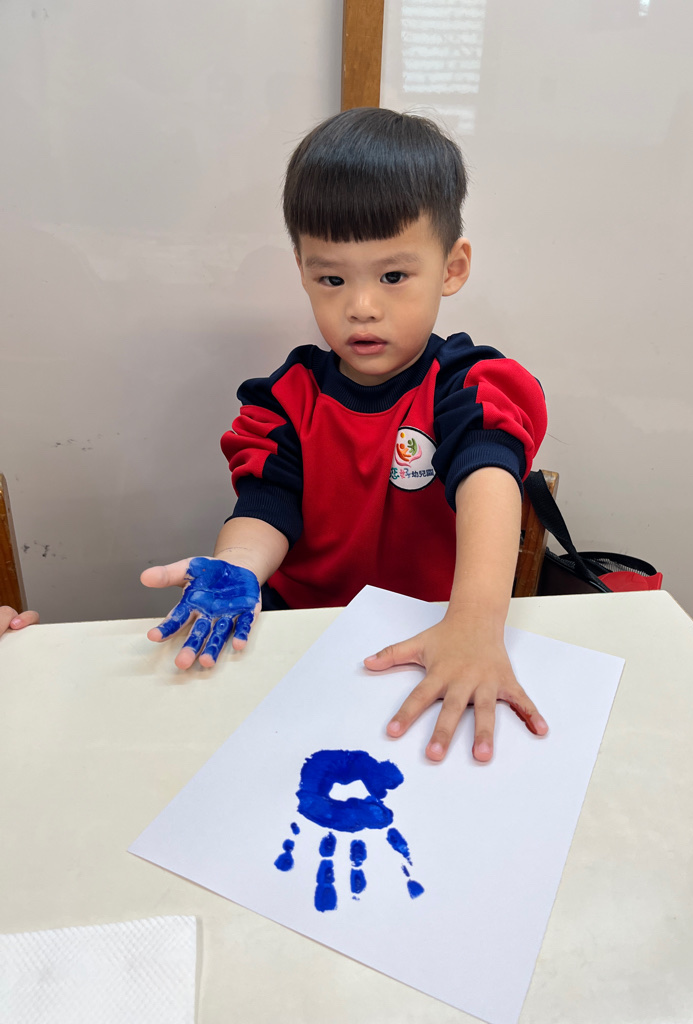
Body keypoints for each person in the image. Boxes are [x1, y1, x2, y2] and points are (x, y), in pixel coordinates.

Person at [142, 107, 549, 763]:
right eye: (331, 279)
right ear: (302, 269)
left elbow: (490, 479)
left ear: (452, 267)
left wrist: (476, 624)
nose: (361, 306)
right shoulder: (286, 398)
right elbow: (265, 507)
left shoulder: (465, 384)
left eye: (393, 276)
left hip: (435, 636)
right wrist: (237, 568)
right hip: (299, 637)